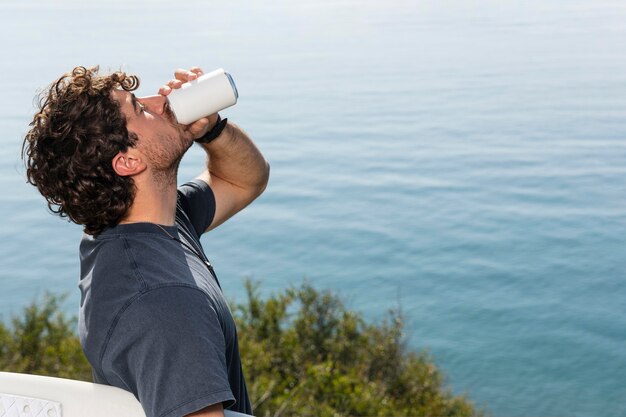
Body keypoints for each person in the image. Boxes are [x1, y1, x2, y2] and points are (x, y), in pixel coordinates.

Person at [22, 65, 270, 417]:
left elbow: (244, 180)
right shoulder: (163, 300)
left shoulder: (139, 228)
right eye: (139, 108)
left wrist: (212, 130)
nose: (161, 100)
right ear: (127, 161)